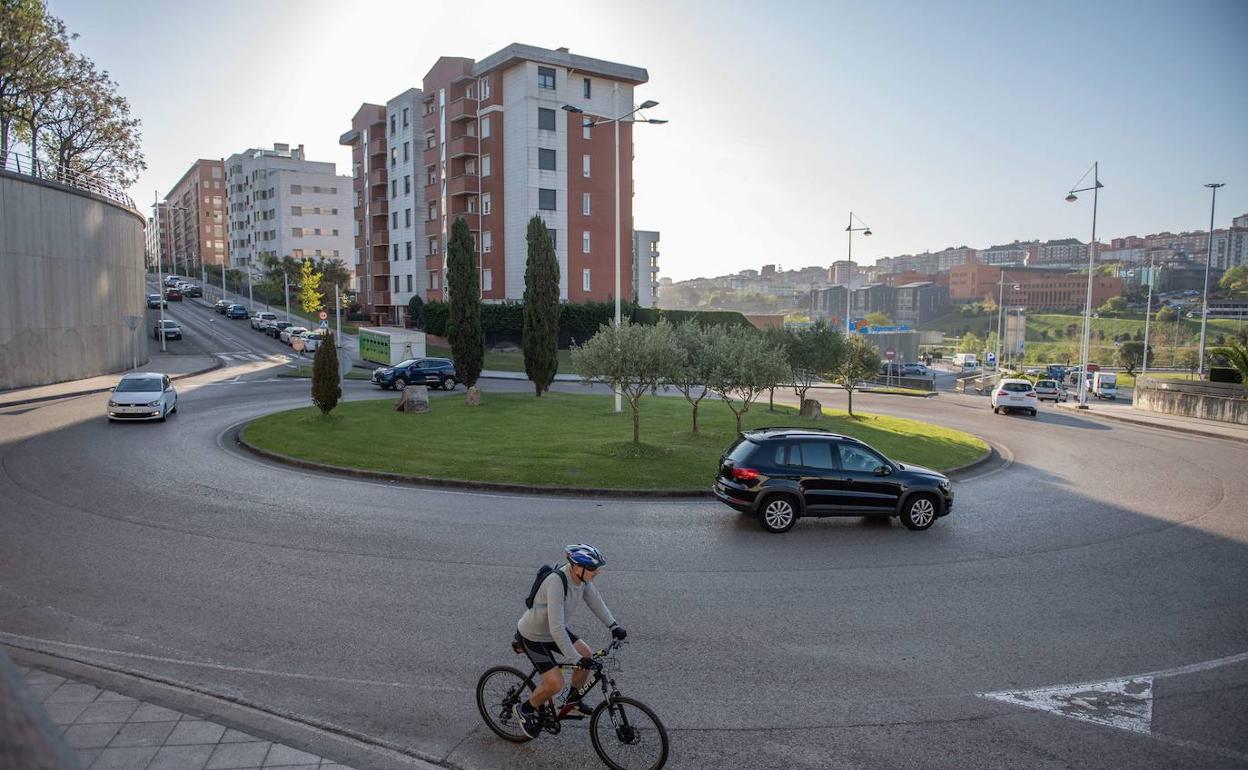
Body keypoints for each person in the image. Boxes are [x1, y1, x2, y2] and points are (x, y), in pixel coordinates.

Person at [514, 544, 627, 737]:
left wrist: (613, 625)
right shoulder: (556, 582)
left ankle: (572, 702)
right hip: (533, 635)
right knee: (555, 683)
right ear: (576, 567)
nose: (597, 572)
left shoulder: (581, 579)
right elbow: (557, 628)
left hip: (551, 631)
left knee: (587, 655)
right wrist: (574, 658)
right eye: (592, 568)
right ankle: (525, 709)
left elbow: (595, 601)